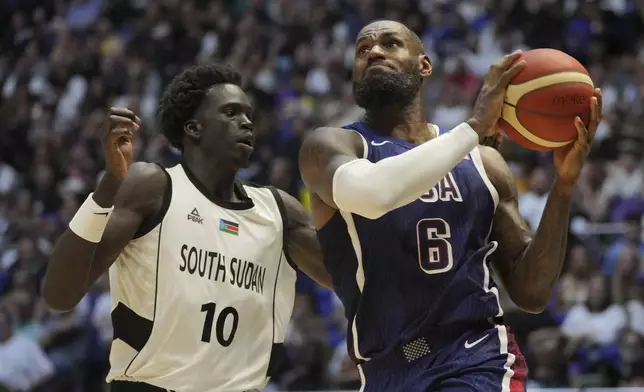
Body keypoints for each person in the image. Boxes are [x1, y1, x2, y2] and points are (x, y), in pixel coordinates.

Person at [299, 20, 602, 392]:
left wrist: (564, 188)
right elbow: (372, 195)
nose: (374, 52)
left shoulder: (483, 163)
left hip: (475, 358)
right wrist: (474, 126)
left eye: (391, 44)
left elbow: (532, 293)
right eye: (363, 50)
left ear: (424, 66)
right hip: (385, 371)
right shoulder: (331, 147)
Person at [43, 63, 331, 392]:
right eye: (231, 112)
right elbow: (59, 295)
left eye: (248, 114)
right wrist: (109, 184)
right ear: (194, 128)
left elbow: (355, 278)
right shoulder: (153, 187)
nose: (247, 122)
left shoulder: (280, 212)